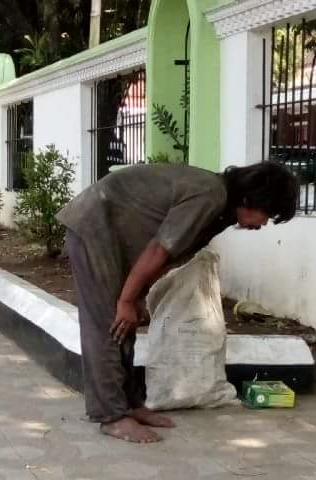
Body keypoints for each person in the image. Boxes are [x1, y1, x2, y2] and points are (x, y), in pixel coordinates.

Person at [56, 161, 298, 444]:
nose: (265, 222)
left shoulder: (221, 210)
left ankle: (130, 406)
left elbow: (170, 255)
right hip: (95, 225)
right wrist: (125, 298)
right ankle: (111, 416)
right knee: (108, 322)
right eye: (267, 213)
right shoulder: (211, 196)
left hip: (117, 236)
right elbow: (159, 248)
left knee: (126, 319)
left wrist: (137, 297)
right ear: (250, 198)